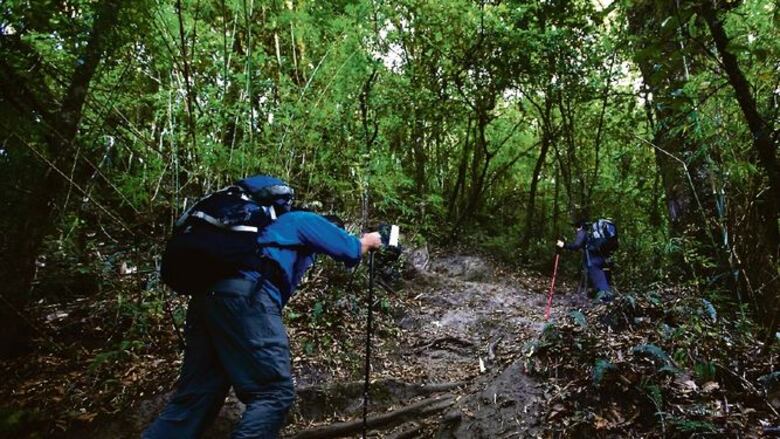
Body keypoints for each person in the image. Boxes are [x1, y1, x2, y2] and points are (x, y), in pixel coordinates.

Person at [144, 175, 383, 438]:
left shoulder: (251, 233)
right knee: (274, 392)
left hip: (206, 303)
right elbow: (350, 249)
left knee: (194, 399)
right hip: (246, 300)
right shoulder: (298, 220)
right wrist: (371, 240)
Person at [556, 218, 614, 303]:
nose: (575, 229)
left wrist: (563, 245)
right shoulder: (593, 234)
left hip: (593, 260)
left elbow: (576, 245)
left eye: (576, 227)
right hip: (603, 258)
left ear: (579, 226)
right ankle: (600, 298)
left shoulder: (582, 232)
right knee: (601, 279)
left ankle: (607, 301)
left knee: (600, 281)